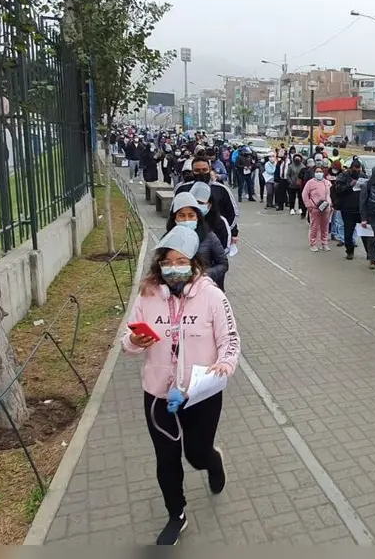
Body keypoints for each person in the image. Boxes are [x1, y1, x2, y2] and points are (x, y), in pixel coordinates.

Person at [123, 225, 240, 545]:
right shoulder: (147, 295)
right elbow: (128, 341)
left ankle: (212, 461)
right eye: (166, 261)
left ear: (194, 263)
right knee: (166, 458)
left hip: (200, 394)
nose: (173, 268)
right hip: (158, 393)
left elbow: (230, 340)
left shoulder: (212, 296)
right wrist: (134, 340)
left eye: (180, 261)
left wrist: (224, 366)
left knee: (196, 454)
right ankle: (176, 514)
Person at [174, 157, 240, 248]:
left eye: (204, 170)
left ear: (210, 169)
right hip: (188, 236)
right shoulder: (182, 189)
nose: (201, 173)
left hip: (217, 236)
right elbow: (174, 213)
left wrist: (231, 231)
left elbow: (232, 213)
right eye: (197, 170)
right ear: (192, 171)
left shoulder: (221, 189)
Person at [166, 193, 228, 289]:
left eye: (191, 216)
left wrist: (203, 275)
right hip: (176, 292)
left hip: (202, 289)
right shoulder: (168, 239)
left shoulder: (209, 237)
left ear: (197, 217)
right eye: (181, 216)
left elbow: (223, 264)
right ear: (175, 218)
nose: (186, 220)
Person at [334, 158, 365, 260]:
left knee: (366, 232)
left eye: (358, 170)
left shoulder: (363, 176)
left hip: (360, 209)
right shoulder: (343, 176)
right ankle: (349, 251)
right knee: (348, 232)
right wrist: (349, 186)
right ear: (351, 168)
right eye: (355, 170)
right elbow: (337, 190)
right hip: (347, 209)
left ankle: (370, 253)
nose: (357, 172)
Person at [302, 163, 333, 252]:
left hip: (326, 208)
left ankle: (324, 243)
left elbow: (329, 194)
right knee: (314, 227)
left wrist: (330, 204)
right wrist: (309, 206)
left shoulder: (327, 182)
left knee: (325, 227)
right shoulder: (310, 183)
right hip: (315, 208)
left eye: (320, 171)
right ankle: (313, 243)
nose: (319, 173)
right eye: (317, 171)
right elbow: (304, 195)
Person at [359, 163, 375, 269]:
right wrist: (363, 218)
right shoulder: (367, 185)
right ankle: (372, 259)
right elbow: (362, 202)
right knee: (371, 239)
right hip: (371, 216)